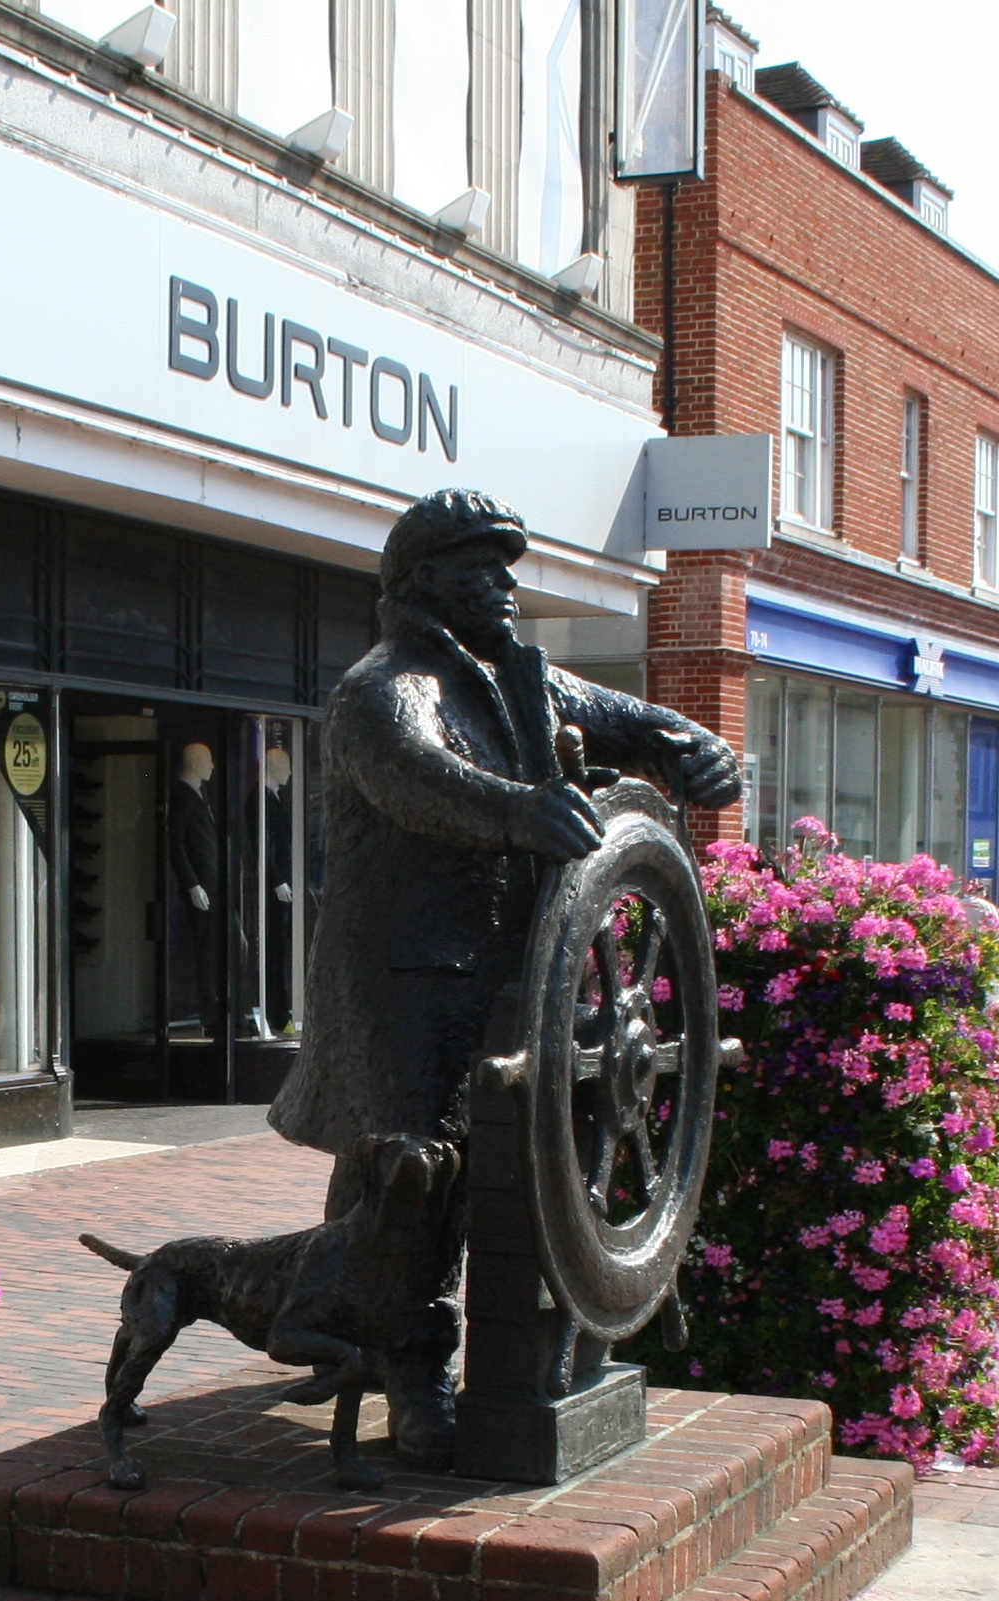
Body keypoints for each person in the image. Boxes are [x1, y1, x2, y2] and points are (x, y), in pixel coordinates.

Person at [266, 487, 739, 1466]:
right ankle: (413, 1372)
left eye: (508, 567)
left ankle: (357, 1326)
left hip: (497, 968)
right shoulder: (384, 686)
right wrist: (522, 812)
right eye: (483, 569)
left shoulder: (505, 676)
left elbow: (613, 715)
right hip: (402, 977)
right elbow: (416, 778)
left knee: (438, 1166)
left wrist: (682, 742)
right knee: (414, 1176)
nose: (506, 587)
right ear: (426, 584)